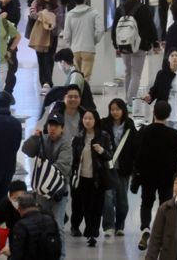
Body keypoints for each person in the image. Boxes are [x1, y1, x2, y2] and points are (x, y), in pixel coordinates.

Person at [135, 101, 177, 251]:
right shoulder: (172, 134)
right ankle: (161, 233)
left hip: (147, 175)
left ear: (154, 113)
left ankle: (145, 228)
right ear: (168, 115)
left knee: (146, 203)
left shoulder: (144, 131)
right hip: (167, 176)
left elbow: (135, 149)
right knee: (165, 204)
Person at [21, 112, 72, 259]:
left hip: (58, 192)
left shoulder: (65, 144)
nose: (52, 128)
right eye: (50, 125)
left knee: (58, 225)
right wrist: (34, 138)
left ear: (62, 128)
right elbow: (27, 150)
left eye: (56, 125)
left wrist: (45, 171)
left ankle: (61, 256)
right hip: (42, 192)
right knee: (40, 224)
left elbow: (63, 166)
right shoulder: (42, 139)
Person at [69, 109, 111, 247]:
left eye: (90, 118)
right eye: (85, 118)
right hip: (82, 178)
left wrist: (101, 150)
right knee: (86, 206)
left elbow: (109, 156)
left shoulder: (103, 136)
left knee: (97, 207)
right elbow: (73, 159)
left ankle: (93, 232)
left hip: (97, 178)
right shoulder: (78, 137)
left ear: (95, 120)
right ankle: (90, 233)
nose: (87, 121)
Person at [143, 49, 177, 147]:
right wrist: (149, 96)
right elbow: (155, 89)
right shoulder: (161, 74)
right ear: (168, 59)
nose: (174, 58)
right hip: (164, 110)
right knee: (162, 138)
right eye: (172, 55)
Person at [101, 99, 137, 237]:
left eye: (117, 109)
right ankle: (108, 226)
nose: (115, 112)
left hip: (123, 168)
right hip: (108, 168)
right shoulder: (104, 124)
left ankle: (120, 225)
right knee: (108, 198)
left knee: (122, 201)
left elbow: (134, 147)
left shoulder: (129, 125)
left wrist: (134, 167)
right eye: (112, 109)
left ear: (123, 110)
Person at [29, 0, 65, 93]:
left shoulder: (56, 4)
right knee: (41, 59)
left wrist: (53, 28)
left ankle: (48, 81)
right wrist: (42, 15)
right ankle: (44, 82)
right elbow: (32, 14)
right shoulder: (36, 3)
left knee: (49, 58)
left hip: (52, 35)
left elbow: (59, 18)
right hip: (40, 35)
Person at [7, 192, 61, 260]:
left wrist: (9, 255)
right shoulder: (50, 220)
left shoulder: (20, 226)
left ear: (20, 208)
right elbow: (58, 246)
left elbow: (17, 255)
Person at [62, 0, 103, 79]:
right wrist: (94, 41)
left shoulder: (70, 15)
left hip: (74, 50)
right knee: (86, 77)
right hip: (88, 49)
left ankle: (77, 88)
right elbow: (100, 29)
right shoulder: (93, 12)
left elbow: (66, 35)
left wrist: (71, 44)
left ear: (74, 0)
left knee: (76, 76)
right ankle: (84, 88)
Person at [0, 0, 22, 97]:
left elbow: (17, 36)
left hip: (5, 56)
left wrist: (10, 49)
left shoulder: (6, 20)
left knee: (10, 74)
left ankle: (7, 94)